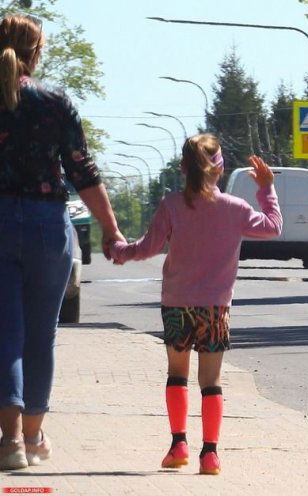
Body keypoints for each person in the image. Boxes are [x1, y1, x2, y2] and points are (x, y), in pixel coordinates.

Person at [109, 135, 282, 475]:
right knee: (211, 380)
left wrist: (120, 250)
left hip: (176, 305)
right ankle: (211, 455)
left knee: (177, 374)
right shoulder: (236, 208)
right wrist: (266, 189)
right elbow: (274, 227)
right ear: (220, 169)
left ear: (184, 168)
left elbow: (146, 248)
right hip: (216, 308)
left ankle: (178, 446)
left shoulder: (171, 205)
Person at [0, 15, 124, 471]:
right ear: (36, 52)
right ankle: (32, 437)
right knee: (40, 333)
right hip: (46, 226)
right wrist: (111, 229)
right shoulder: (53, 102)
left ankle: (9, 441)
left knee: (4, 333)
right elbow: (82, 170)